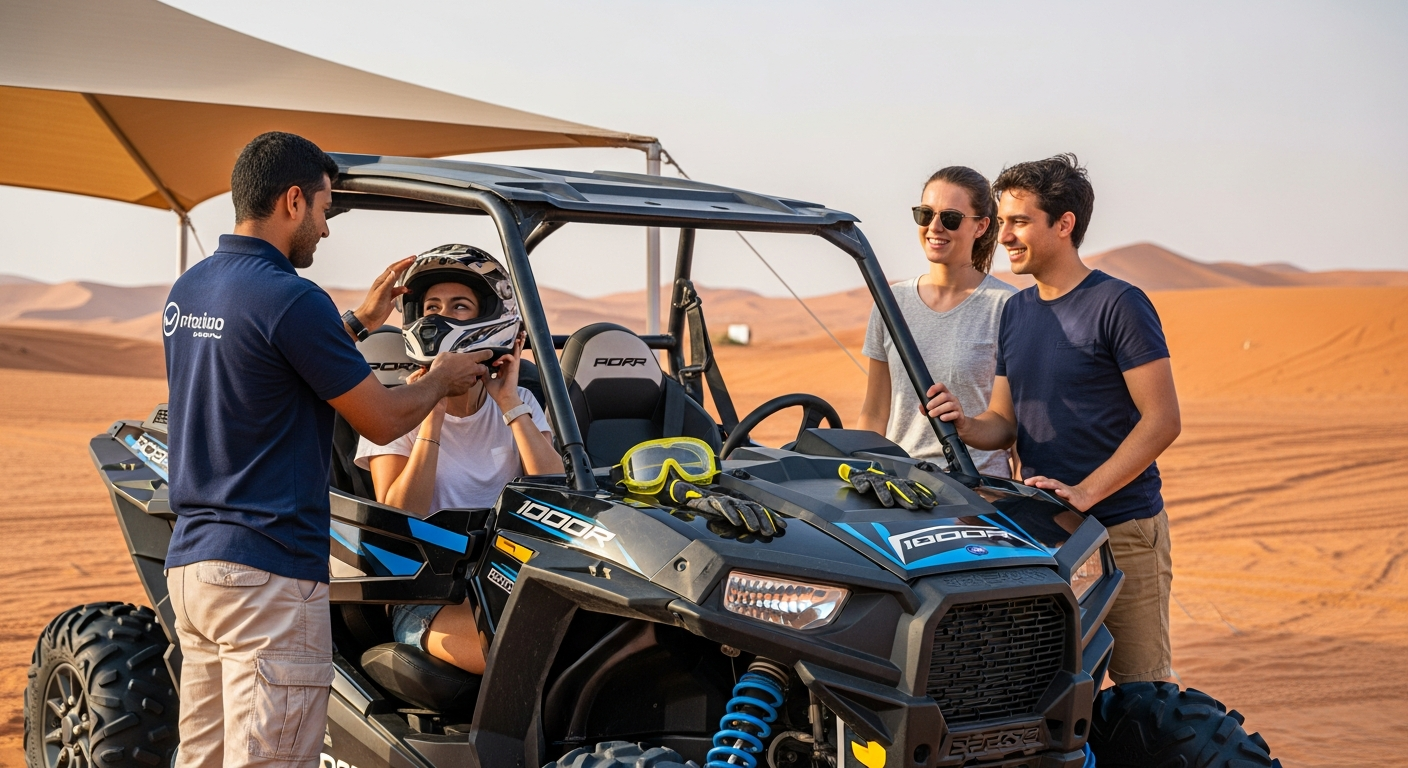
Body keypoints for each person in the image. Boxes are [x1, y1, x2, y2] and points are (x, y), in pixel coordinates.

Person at [162, 132, 491, 768]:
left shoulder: (193, 290)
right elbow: (382, 413)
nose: (327, 228)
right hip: (268, 572)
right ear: (292, 201)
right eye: (324, 208)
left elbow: (264, 362)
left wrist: (361, 323)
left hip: (197, 568)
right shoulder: (291, 297)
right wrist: (442, 380)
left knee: (204, 757)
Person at [924, 154, 1182, 685]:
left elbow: (1162, 421)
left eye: (1020, 221)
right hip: (1046, 536)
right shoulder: (1017, 312)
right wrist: (966, 425)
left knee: (1144, 692)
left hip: (1123, 530)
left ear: (1064, 225)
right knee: (1049, 690)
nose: (1006, 235)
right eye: (1002, 221)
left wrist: (1085, 493)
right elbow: (1004, 421)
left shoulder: (1119, 304)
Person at [355, 245, 562, 675]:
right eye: (430, 306)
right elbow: (398, 520)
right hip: (428, 597)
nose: (438, 316)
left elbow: (556, 494)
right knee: (515, 653)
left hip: (512, 583)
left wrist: (508, 402)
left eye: (458, 306)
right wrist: (431, 415)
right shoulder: (392, 411)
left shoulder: (519, 401)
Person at [857, 166, 1017, 476]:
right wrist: (864, 471)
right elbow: (875, 412)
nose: (934, 227)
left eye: (951, 218)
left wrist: (965, 425)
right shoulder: (891, 302)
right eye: (925, 214)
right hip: (902, 489)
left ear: (981, 226)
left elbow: (1009, 428)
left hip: (977, 492)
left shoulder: (1007, 306)